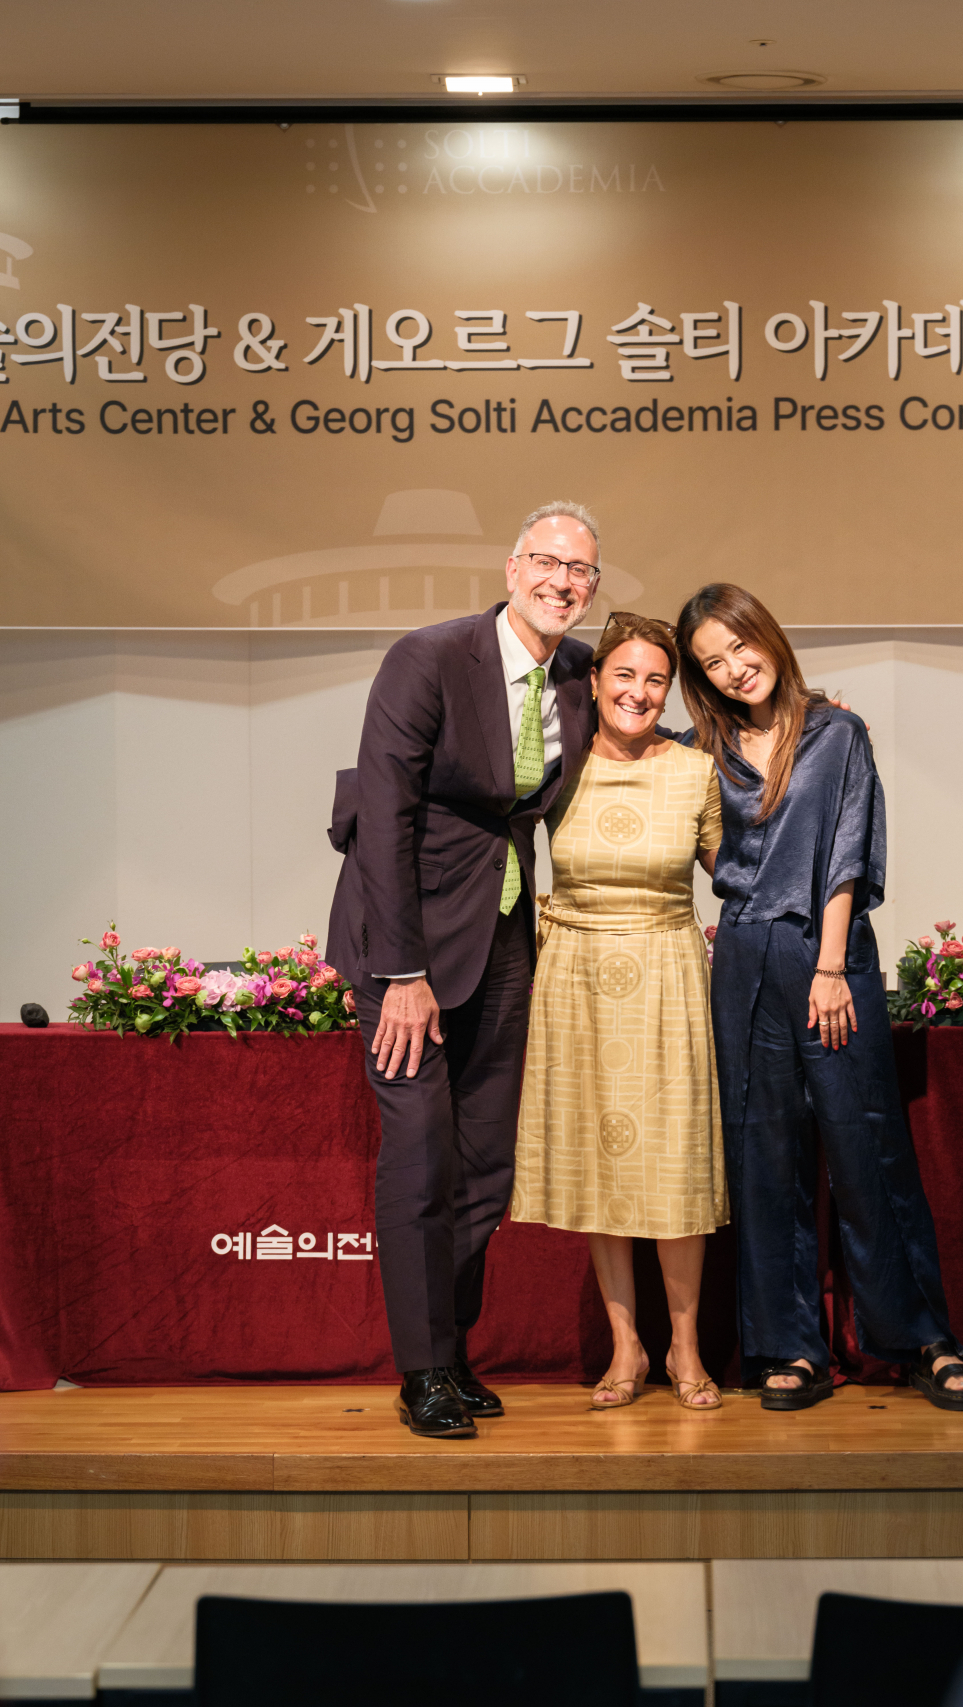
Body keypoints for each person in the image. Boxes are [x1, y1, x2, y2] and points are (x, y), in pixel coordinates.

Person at [326, 502, 602, 1439]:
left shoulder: (578, 671)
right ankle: (422, 1369)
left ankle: (453, 1348)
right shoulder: (432, 657)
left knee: (487, 1161)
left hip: (503, 937)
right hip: (404, 949)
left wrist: (801, 725)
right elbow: (384, 814)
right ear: (514, 564)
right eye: (550, 563)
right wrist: (401, 971)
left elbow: (648, 735)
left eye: (582, 572)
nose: (563, 582)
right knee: (421, 1153)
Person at [675, 583, 963, 1413]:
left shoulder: (837, 732)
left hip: (827, 953)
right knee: (762, 1156)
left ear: (766, 636)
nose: (735, 669)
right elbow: (697, 841)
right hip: (744, 955)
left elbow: (848, 851)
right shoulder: (700, 749)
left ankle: (922, 1337)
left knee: (867, 1144)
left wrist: (831, 965)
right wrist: (742, 894)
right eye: (712, 663)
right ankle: (790, 1345)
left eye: (739, 647)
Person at [511, 613, 727, 1410]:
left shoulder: (697, 770)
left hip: (668, 969)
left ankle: (685, 1345)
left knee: (674, 1163)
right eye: (624, 676)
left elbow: (737, 867)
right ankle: (626, 1346)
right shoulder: (554, 768)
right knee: (605, 1161)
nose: (639, 692)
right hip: (577, 971)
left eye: (655, 680)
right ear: (595, 681)